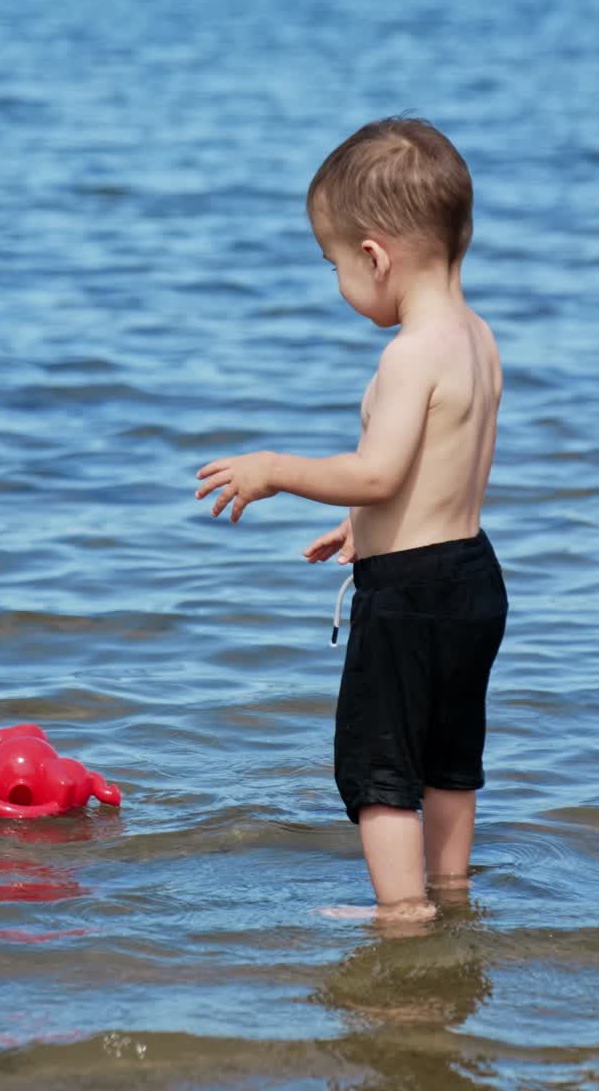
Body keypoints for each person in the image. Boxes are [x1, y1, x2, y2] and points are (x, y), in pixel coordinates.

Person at [195, 117, 507, 921]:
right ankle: (450, 891)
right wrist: (365, 530)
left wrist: (276, 471)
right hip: (472, 576)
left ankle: (402, 915)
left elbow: (377, 471)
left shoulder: (410, 353)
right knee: (449, 759)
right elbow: (443, 476)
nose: (338, 281)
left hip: (407, 595)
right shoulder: (478, 338)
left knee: (380, 767)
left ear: (375, 256)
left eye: (334, 263)